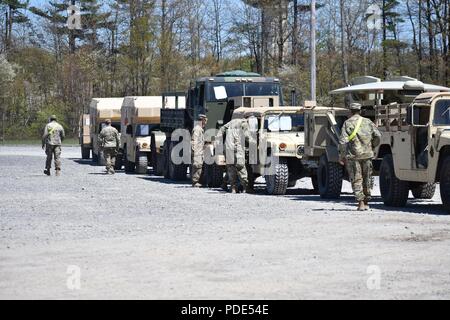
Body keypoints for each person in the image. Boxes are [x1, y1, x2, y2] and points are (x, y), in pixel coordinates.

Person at [339, 103, 381, 211]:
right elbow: (378, 136)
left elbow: (343, 141)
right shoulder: (368, 122)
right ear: (360, 111)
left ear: (350, 111)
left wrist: (342, 156)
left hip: (354, 155)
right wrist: (373, 146)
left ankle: (361, 203)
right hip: (367, 154)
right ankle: (367, 201)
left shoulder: (347, 123)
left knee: (357, 179)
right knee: (367, 177)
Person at [217, 118, 254, 194]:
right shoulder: (244, 123)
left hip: (227, 147)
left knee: (231, 168)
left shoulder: (232, 121)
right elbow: (247, 136)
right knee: (241, 167)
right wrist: (254, 142)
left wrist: (218, 139)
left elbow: (222, 128)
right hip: (237, 148)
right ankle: (245, 188)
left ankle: (233, 188)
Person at [191, 114, 208, 187]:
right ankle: (195, 182)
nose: (206, 122)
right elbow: (194, 140)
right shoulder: (197, 129)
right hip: (197, 151)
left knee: (199, 166)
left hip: (199, 150)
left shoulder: (200, 129)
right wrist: (195, 152)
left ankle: (198, 181)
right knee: (197, 166)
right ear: (202, 120)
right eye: (205, 120)